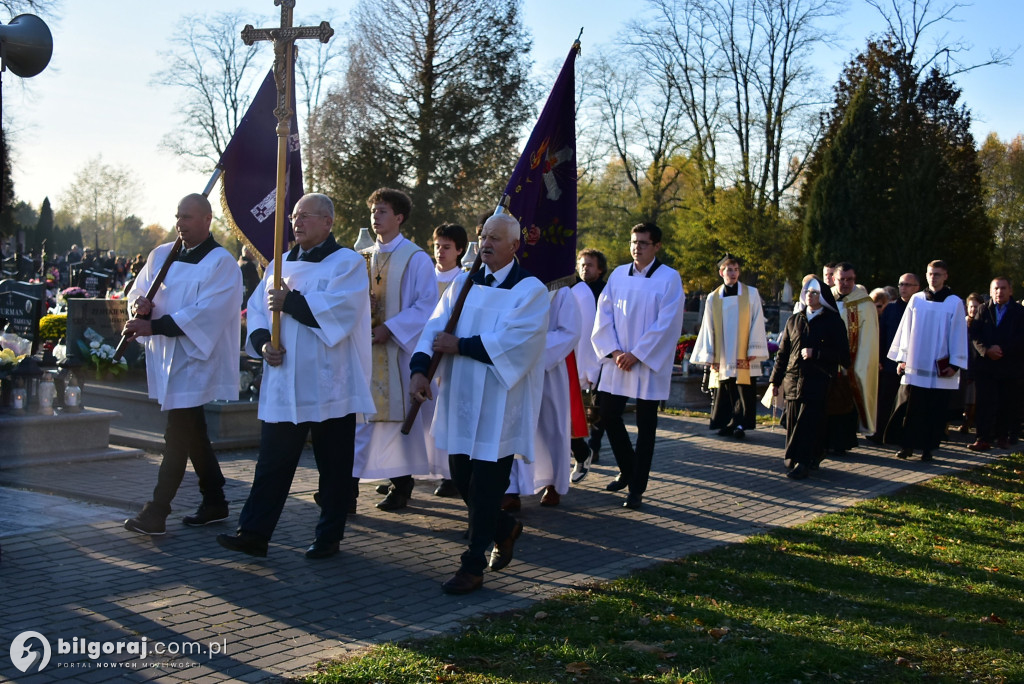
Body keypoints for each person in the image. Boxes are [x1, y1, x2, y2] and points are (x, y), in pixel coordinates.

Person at [217, 194, 375, 559]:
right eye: (294, 216)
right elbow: (256, 311)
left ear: (328, 223)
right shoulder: (280, 263)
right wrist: (261, 345)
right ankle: (254, 533)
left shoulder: (347, 263)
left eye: (306, 216)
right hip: (284, 381)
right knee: (273, 461)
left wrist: (291, 302)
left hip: (329, 382)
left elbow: (342, 314)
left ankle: (329, 536)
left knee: (333, 466)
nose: (296, 223)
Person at [409, 212, 548, 594]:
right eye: (483, 236)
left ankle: (471, 566)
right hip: (460, 399)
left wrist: (463, 346)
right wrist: (419, 370)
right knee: (464, 481)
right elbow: (435, 328)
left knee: (487, 488)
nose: (485, 243)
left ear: (515, 246)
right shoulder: (463, 284)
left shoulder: (530, 290)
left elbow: (517, 343)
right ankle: (504, 528)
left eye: (495, 238)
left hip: (499, 406)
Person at [121, 194, 242, 535]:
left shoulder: (221, 263)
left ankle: (157, 510)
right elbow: (138, 293)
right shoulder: (162, 255)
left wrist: (155, 325)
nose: (181, 224)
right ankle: (215, 499)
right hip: (166, 357)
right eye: (178, 216)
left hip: (195, 358)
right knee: (193, 431)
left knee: (177, 431)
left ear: (207, 220)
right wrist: (140, 308)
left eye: (188, 217)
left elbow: (208, 312)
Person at [351, 188, 437, 511]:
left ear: (399, 217)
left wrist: (391, 328)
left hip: (399, 354)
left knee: (395, 422)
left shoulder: (415, 258)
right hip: (366, 351)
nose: (376, 215)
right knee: (362, 422)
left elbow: (427, 305)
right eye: (373, 210)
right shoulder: (362, 257)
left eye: (383, 210)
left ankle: (401, 484)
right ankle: (348, 490)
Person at [592, 223, 685, 510]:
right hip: (618, 359)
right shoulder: (619, 274)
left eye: (643, 243)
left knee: (646, 426)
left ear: (656, 246)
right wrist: (616, 350)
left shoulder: (670, 278)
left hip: (647, 363)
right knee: (607, 415)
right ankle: (628, 468)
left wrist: (638, 353)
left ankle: (637, 488)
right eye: (634, 242)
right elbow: (603, 314)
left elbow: (668, 323)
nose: (637, 247)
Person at [884, 260, 968, 461]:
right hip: (916, 364)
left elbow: (958, 333)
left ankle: (928, 449)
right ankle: (907, 446)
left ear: (945, 276)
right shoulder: (917, 299)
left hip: (940, 367)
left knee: (935, 410)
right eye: (931, 274)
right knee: (911, 408)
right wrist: (901, 359)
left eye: (938, 274)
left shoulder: (954, 302)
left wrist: (954, 364)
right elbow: (906, 330)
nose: (934, 277)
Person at [769, 276, 851, 479]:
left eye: (814, 293)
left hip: (817, 381)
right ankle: (804, 456)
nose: (809, 296)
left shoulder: (833, 321)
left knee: (808, 422)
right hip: (793, 380)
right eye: (807, 292)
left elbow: (843, 356)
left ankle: (803, 462)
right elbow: (783, 353)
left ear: (822, 297)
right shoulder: (794, 320)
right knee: (793, 421)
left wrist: (818, 353)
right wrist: (774, 381)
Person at [691, 254, 769, 440]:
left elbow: (758, 321)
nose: (733, 273)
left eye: (735, 270)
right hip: (724, 354)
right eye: (729, 270)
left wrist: (753, 349)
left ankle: (741, 423)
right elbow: (708, 327)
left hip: (744, 352)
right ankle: (727, 423)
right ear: (721, 272)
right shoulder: (713, 298)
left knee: (743, 390)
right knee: (726, 389)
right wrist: (711, 356)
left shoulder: (751, 293)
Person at [426, 223, 469, 498]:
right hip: (425, 352)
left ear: (460, 250)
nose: (440, 252)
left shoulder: (465, 280)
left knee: (446, 418)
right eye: (437, 246)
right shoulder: (424, 277)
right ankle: (426, 469)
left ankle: (450, 475)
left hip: (451, 356)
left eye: (447, 247)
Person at [968, 277, 1024, 451]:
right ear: (991, 291)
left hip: (1009, 366)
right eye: (996, 288)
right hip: (986, 367)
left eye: (1003, 288)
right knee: (985, 403)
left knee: (1006, 403)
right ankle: (983, 438)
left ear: (1010, 290)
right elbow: (975, 334)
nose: (999, 291)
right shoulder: (984, 309)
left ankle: (1002, 436)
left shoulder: (1019, 312)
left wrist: (1002, 350)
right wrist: (986, 350)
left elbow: (1021, 338)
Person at [829, 262, 879, 453]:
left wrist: (859, 363)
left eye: (850, 279)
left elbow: (869, 338)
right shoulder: (826, 298)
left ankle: (844, 442)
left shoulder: (864, 303)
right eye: (842, 279)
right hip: (829, 360)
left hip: (852, 360)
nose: (846, 283)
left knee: (846, 401)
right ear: (834, 279)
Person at [569, 248, 608, 482]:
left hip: (587, 359)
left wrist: (590, 367)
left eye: (590, 265)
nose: (585, 268)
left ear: (600, 268)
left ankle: (590, 447)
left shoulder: (597, 292)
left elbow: (589, 334)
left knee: (587, 412)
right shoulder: (572, 288)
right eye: (582, 264)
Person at [869, 273, 920, 443]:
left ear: (917, 288)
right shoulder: (890, 309)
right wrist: (879, 360)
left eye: (907, 285)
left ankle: (903, 437)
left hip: (913, 365)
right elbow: (881, 336)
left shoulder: (922, 308)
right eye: (901, 284)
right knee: (885, 401)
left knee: (907, 403)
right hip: (890, 365)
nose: (903, 288)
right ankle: (880, 433)